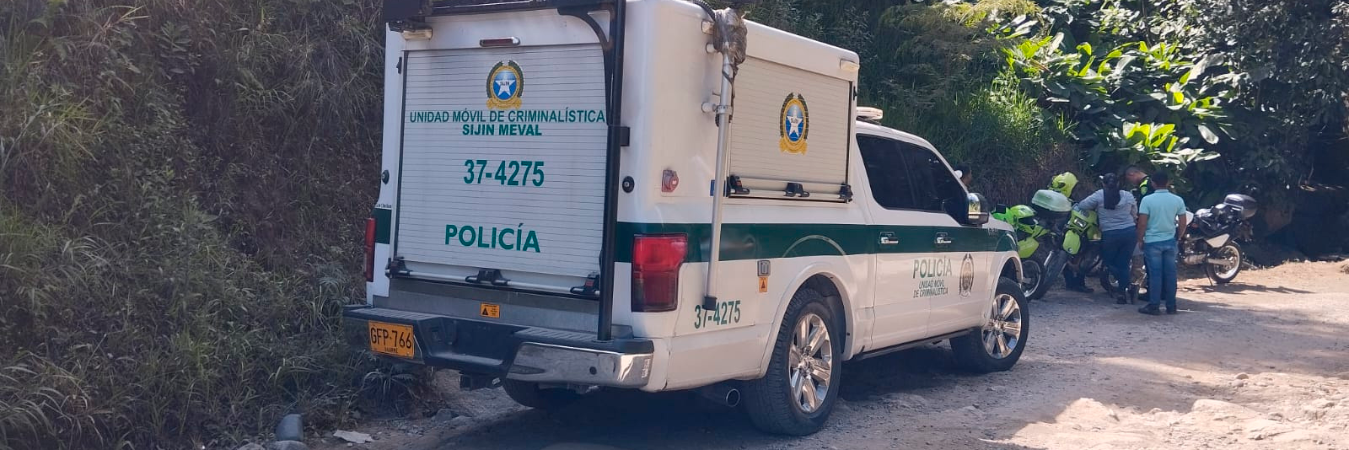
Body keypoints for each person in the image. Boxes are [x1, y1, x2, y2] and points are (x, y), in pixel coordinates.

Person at [1073, 173, 1138, 304]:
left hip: (1110, 234)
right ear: (1119, 184)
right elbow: (1135, 214)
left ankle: (1126, 288)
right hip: (1129, 233)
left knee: (1108, 263)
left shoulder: (1099, 195)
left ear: (1103, 184)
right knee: (1124, 264)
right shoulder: (1128, 195)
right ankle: (1124, 291)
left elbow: (1082, 205)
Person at [1135, 171, 1188, 315]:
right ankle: (1171, 306)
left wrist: (1140, 239)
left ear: (1153, 183)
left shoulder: (1147, 201)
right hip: (1170, 241)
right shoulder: (1177, 200)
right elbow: (1183, 222)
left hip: (1152, 241)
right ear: (1168, 182)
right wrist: (1179, 236)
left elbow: (1142, 223)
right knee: (1171, 274)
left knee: (1155, 275)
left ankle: (1154, 305)